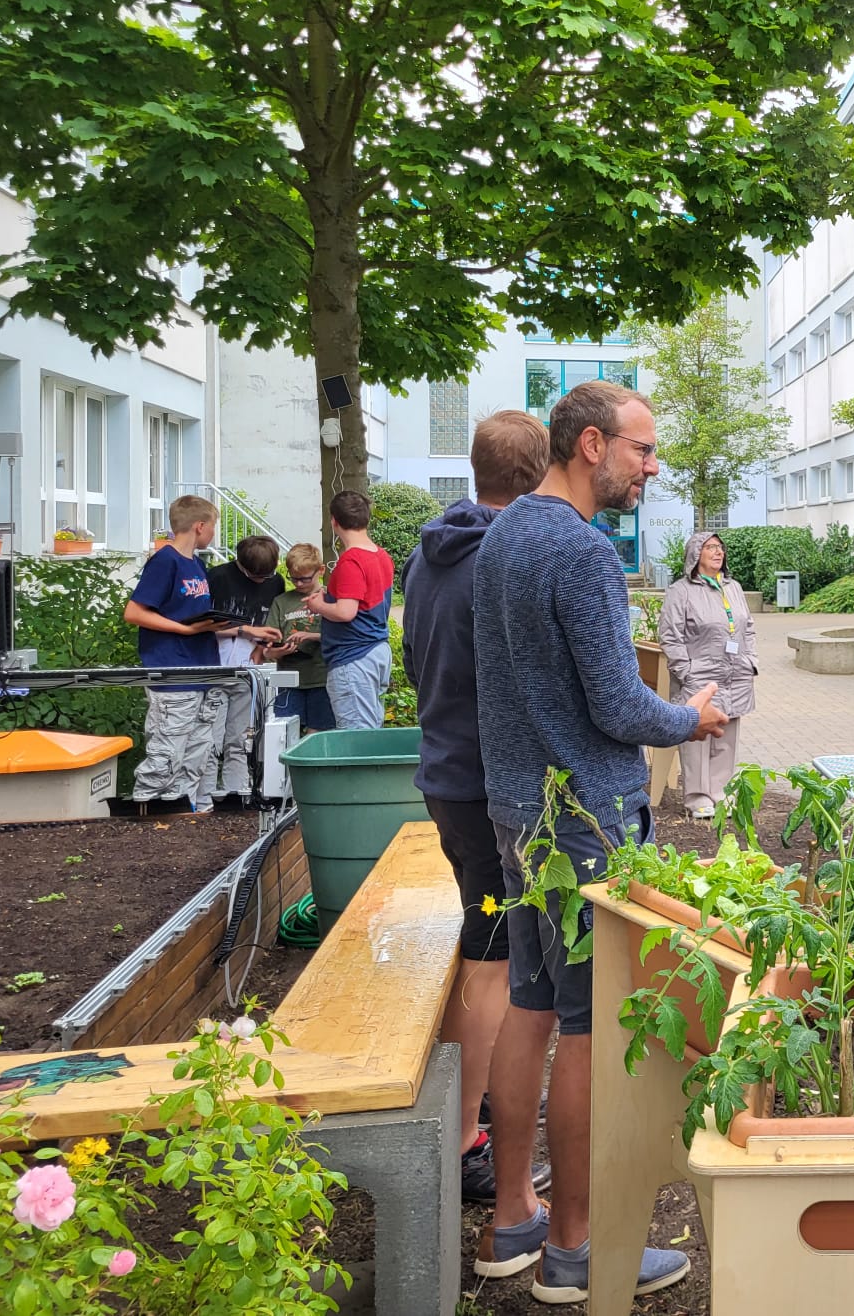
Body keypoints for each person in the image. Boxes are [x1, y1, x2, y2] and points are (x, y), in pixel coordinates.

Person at [473, 380, 726, 1304]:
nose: (650, 468)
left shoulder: (502, 532)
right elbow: (620, 706)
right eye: (643, 450)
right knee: (584, 1023)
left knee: (532, 1004)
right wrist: (690, 718)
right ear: (590, 444)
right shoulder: (578, 552)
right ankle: (577, 1251)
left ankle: (513, 1222)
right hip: (584, 821)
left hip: (521, 810)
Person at [401, 409, 552, 1204]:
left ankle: (483, 1103)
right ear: (540, 474)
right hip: (488, 786)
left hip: (446, 774)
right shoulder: (503, 559)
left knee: (485, 942)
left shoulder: (429, 555)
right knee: (493, 956)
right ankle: (464, 1140)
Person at [125, 494, 233, 814]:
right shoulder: (165, 561)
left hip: (202, 671)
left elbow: (193, 617)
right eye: (213, 526)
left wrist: (239, 629)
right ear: (200, 526)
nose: (214, 533)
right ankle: (146, 814)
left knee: (197, 754)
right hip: (173, 673)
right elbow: (135, 612)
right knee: (166, 753)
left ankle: (180, 817)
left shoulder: (197, 565)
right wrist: (184, 630)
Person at [661, 530, 757, 817]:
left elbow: (747, 626)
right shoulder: (681, 591)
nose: (718, 552)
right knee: (697, 740)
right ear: (695, 555)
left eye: (720, 548)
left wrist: (750, 660)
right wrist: (685, 671)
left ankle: (721, 794)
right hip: (699, 677)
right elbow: (670, 635)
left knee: (727, 735)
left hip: (735, 673)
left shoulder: (734, 587)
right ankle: (698, 797)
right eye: (710, 547)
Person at [204, 534, 284, 810]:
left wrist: (262, 649)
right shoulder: (216, 578)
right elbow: (200, 626)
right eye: (254, 575)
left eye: (267, 575)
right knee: (209, 739)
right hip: (213, 667)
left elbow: (274, 624)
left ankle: (235, 796)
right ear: (240, 563)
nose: (261, 580)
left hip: (250, 669)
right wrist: (245, 630)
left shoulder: (275, 582)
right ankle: (204, 798)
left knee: (240, 738)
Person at [302, 490, 394, 730]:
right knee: (371, 732)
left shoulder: (351, 561)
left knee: (356, 738)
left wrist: (318, 605)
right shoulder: (382, 556)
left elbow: (346, 612)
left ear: (334, 521)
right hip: (376, 651)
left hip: (353, 657)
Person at [258, 544, 334, 732]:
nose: (299, 584)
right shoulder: (281, 602)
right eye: (294, 578)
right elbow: (268, 647)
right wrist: (277, 651)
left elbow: (342, 637)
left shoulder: (331, 598)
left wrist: (312, 636)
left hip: (321, 678)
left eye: (305, 579)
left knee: (317, 733)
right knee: (284, 732)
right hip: (288, 680)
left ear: (321, 571)